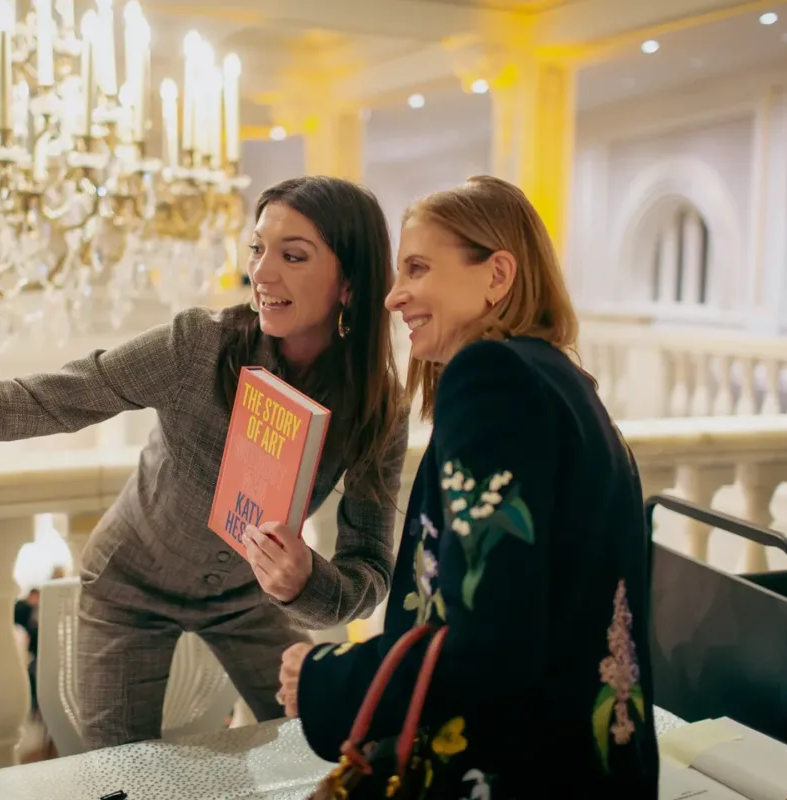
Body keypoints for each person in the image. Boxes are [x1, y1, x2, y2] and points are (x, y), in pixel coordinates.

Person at [0, 175, 409, 751]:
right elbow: (34, 401)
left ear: (349, 282)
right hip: (128, 590)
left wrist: (306, 582)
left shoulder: (377, 406)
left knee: (331, 751)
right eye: (257, 248)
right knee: (120, 777)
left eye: (293, 256)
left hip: (251, 601)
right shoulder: (197, 346)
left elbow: (368, 575)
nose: (261, 272)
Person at [282, 176, 659, 798]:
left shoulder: (492, 378)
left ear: (497, 275)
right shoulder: (564, 381)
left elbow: (492, 642)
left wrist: (327, 682)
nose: (393, 297)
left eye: (419, 268)